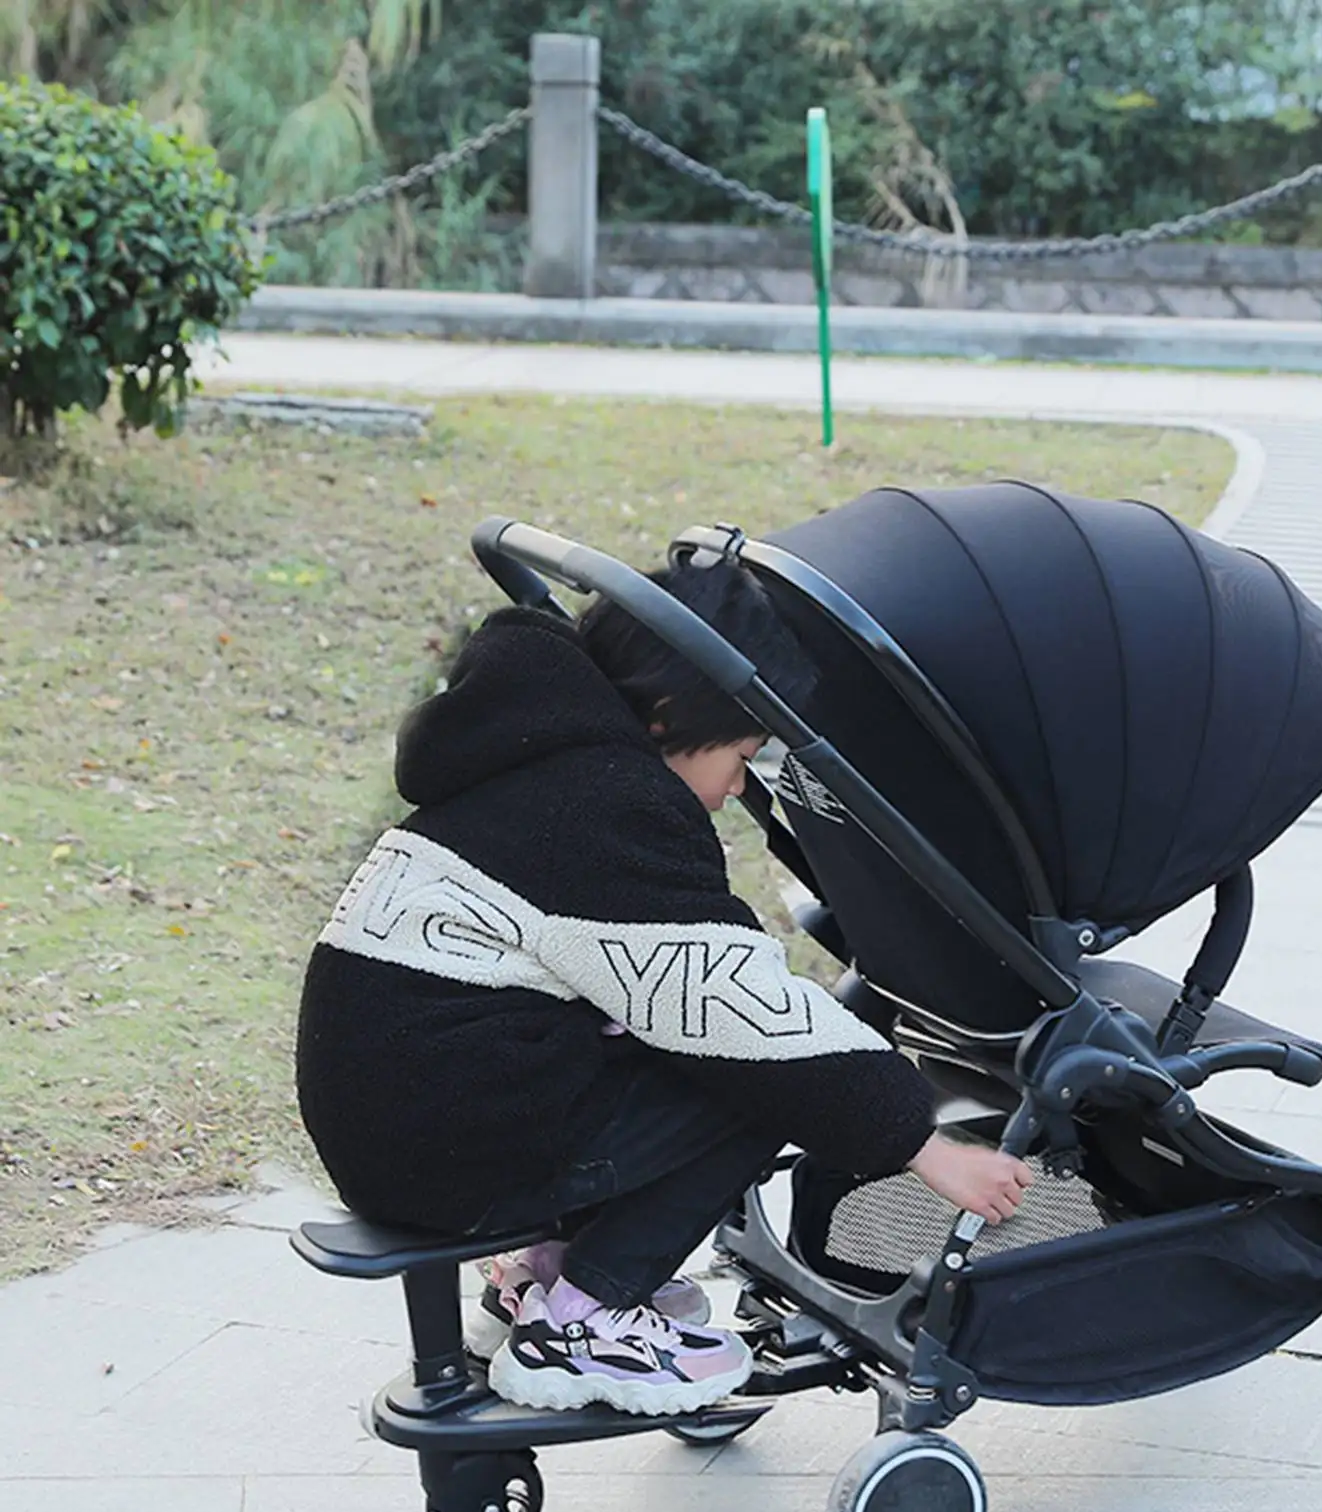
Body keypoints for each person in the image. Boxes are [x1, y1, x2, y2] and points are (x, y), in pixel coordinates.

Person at [295, 553, 1033, 1418]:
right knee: (756, 1080)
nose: (731, 793)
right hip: (447, 1139)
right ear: (677, 713)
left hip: (400, 1117)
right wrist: (927, 1147)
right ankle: (586, 1319)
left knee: (671, 1038)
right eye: (741, 756)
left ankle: (537, 1279)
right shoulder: (608, 805)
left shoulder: (525, 755)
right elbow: (745, 1015)